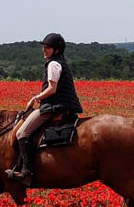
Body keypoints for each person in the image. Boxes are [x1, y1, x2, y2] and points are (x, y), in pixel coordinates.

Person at [7, 32, 82, 182]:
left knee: (22, 132)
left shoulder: (53, 64)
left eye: (47, 48)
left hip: (55, 106)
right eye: (44, 47)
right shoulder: (60, 62)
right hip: (63, 104)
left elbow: (52, 89)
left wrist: (35, 98)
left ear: (57, 50)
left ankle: (26, 172)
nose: (44, 50)